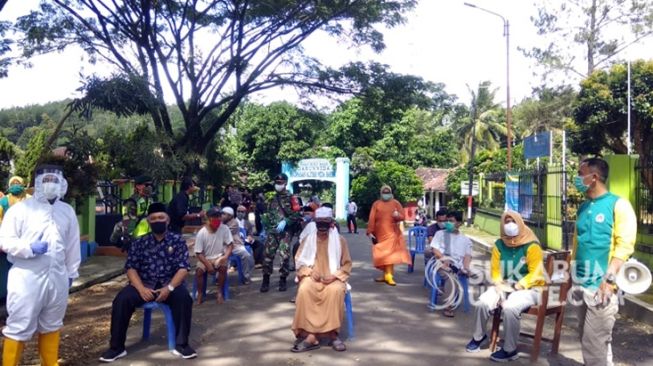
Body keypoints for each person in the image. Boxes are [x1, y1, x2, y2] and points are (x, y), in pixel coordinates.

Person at [0, 165, 80, 366]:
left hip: (58, 277)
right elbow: (5, 240)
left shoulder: (67, 211)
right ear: (36, 182)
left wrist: (71, 272)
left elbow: (72, 245)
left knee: (52, 324)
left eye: (55, 180)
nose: (50, 184)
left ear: (62, 183)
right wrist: (29, 248)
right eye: (46, 180)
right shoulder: (20, 210)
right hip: (27, 277)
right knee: (19, 326)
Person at [99, 202, 196, 362]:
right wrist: (141, 289)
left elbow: (183, 268)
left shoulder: (177, 241)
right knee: (122, 300)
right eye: (154, 218)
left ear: (168, 220)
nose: (158, 220)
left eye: (161, 217)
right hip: (144, 284)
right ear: (149, 221)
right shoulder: (139, 242)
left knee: (184, 298)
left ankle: (182, 345)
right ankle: (116, 348)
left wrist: (169, 288)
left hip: (170, 284)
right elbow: (131, 267)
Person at [572, 157, 636, 366]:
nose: (577, 178)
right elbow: (577, 244)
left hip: (601, 285)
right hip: (580, 282)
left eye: (581, 174)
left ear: (594, 177)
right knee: (589, 336)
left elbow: (624, 246)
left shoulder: (618, 205)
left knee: (594, 342)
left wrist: (609, 280)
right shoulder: (582, 208)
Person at [465, 211, 545, 362]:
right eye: (506, 221)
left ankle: (510, 349)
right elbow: (495, 270)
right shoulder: (499, 245)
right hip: (505, 286)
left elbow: (536, 273)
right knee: (482, 302)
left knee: (509, 307)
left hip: (531, 288)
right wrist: (498, 284)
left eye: (513, 221)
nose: (510, 225)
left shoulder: (532, 245)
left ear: (520, 223)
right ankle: (479, 337)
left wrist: (518, 286)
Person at [291, 207, 352, 353]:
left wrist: (335, 276)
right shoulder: (308, 239)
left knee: (335, 291)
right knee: (305, 289)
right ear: (315, 222)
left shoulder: (340, 240)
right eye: (320, 222)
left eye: (326, 221)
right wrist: (309, 272)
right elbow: (299, 260)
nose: (323, 224)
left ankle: (332, 335)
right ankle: (311, 336)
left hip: (333, 277)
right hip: (312, 277)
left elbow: (347, 264)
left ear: (331, 222)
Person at [260, 173, 303, 293]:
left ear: (285, 183)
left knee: (284, 255)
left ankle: (283, 279)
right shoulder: (272, 198)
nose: (278, 185)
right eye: (276, 183)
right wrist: (266, 223)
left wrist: (286, 221)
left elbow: (298, 214)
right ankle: (266, 279)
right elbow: (269, 213)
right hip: (272, 231)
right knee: (267, 255)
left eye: (280, 183)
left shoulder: (292, 198)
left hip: (285, 232)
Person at [429, 211, 472, 317]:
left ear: (459, 223)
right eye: (447, 220)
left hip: (457, 266)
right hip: (441, 263)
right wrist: (444, 259)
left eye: (451, 221)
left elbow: (467, 256)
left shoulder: (466, 240)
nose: (448, 223)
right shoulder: (440, 234)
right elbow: (435, 250)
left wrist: (466, 268)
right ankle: (448, 306)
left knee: (460, 274)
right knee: (451, 276)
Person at [366, 185, 411, 286]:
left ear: (391, 193)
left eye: (388, 192)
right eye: (384, 192)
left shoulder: (396, 203)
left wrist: (397, 215)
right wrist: (370, 231)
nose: (386, 194)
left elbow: (403, 216)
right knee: (382, 254)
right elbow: (371, 218)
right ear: (381, 193)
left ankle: (389, 276)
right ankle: (384, 275)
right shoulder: (376, 204)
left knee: (389, 254)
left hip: (392, 233)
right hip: (379, 233)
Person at [194, 207, 234, 305]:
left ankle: (219, 292)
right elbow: (198, 253)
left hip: (219, 256)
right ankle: (199, 293)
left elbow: (230, 245)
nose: (218, 219)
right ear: (208, 218)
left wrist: (225, 257)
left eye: (219, 216)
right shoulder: (202, 232)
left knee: (223, 268)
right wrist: (208, 265)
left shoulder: (224, 228)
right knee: (199, 271)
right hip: (205, 258)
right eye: (214, 216)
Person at [222, 206, 254, 284]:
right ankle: (218, 278)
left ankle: (246, 277)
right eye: (238, 211)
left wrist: (250, 237)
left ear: (230, 215)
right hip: (222, 246)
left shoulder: (234, 223)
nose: (222, 215)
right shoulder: (220, 222)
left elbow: (224, 234)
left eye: (224, 214)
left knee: (246, 255)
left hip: (235, 245)